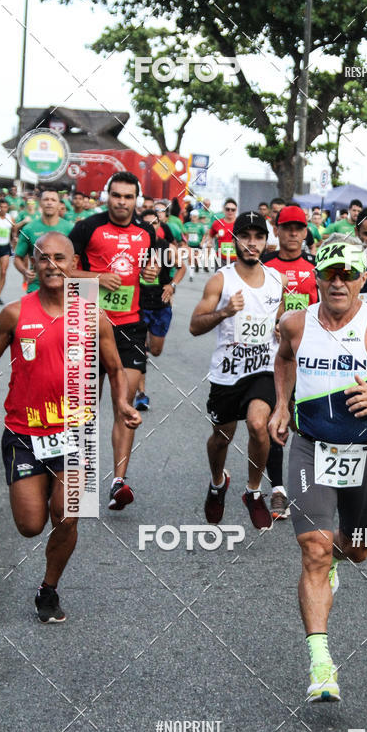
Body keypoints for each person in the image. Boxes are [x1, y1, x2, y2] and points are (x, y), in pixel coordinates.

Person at [269, 235, 367, 701]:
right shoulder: (294, 323)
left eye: (348, 273)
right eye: (329, 273)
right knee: (314, 550)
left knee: (355, 550)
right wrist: (282, 405)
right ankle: (321, 664)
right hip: (308, 448)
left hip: (365, 452)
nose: (338, 282)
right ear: (316, 276)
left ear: (363, 277)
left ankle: (339, 559)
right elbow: (283, 361)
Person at [0, 232, 141, 622]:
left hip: (75, 434)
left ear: (74, 265)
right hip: (24, 434)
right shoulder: (13, 314)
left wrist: (123, 402)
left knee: (68, 514)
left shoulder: (93, 315)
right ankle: (39, 495)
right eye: (43, 258)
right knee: (29, 526)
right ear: (34, 265)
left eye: (60, 258)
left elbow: (115, 368)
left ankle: (49, 588)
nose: (51, 264)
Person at [190, 211, 286, 531]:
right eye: (245, 236)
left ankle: (253, 491)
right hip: (227, 373)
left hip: (262, 368)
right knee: (221, 438)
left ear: (266, 241)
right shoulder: (222, 279)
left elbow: (279, 317)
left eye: (258, 236)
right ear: (234, 240)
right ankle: (218, 482)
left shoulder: (276, 279)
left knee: (260, 425)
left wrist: (279, 331)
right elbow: (194, 326)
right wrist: (225, 311)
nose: (252, 243)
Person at [68, 171, 158, 510]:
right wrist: (95, 278)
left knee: (126, 403)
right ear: (108, 195)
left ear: (137, 199)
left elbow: (150, 270)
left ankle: (119, 482)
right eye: (116, 195)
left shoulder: (146, 232)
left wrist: (152, 275)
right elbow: (61, 271)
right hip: (88, 325)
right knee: (85, 409)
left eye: (128, 197)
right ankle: (76, 477)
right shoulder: (87, 228)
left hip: (130, 328)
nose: (122, 202)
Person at [263, 205, 318, 520]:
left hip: (310, 356)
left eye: (299, 227)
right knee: (276, 416)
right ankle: (278, 490)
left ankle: (313, 486)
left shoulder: (315, 266)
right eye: (287, 227)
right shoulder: (265, 265)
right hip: (273, 354)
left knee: (307, 422)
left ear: (306, 230)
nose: (294, 233)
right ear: (277, 229)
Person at [134, 209, 187, 411]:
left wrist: (172, 285)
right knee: (139, 351)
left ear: (159, 226)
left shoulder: (165, 248)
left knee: (155, 350)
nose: (150, 227)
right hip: (138, 306)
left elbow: (182, 268)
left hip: (160, 305)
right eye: (145, 224)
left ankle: (146, 347)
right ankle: (141, 394)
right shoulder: (133, 247)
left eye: (153, 224)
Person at [14, 189, 74, 293]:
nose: (49, 203)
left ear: (59, 205)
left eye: (53, 200)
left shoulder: (70, 228)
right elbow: (17, 257)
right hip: (37, 286)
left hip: (64, 285)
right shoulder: (29, 229)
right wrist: (25, 271)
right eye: (46, 199)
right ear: (40, 203)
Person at [203, 198, 238, 265]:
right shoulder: (217, 223)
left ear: (236, 210)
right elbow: (210, 235)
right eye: (228, 209)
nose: (230, 211)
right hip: (220, 258)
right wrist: (209, 242)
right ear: (224, 210)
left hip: (236, 259)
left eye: (233, 210)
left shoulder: (240, 223)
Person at [0, 198, 13, 304]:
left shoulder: (10, 218)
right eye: (1, 207)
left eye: (5, 207)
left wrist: (14, 238)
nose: (3, 209)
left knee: (3, 272)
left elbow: (14, 229)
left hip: (5, 247)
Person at [183, 208, 207, 276]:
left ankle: (196, 265)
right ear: (190, 216)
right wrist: (185, 242)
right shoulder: (186, 225)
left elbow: (204, 235)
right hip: (189, 244)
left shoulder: (200, 226)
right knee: (191, 258)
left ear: (197, 217)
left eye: (195, 216)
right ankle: (191, 274)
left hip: (197, 244)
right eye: (192, 216)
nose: (193, 218)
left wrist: (202, 242)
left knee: (196, 258)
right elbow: (183, 234)